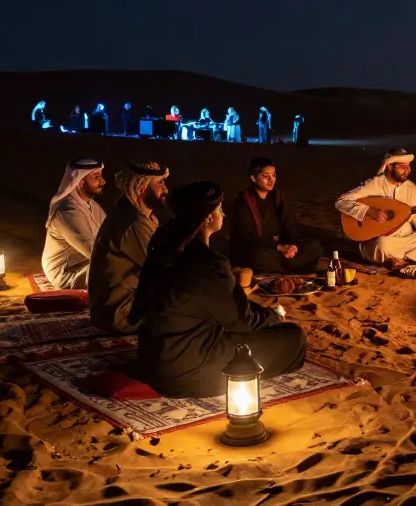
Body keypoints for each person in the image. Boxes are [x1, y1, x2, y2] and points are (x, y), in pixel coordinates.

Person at [128, 181, 306, 397]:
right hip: (189, 370)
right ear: (209, 217)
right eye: (220, 209)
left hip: (153, 361)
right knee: (293, 337)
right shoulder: (207, 262)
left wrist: (264, 314)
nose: (224, 213)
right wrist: (274, 317)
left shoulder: (164, 245)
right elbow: (242, 320)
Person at [88, 161, 169, 333]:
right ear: (141, 187)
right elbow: (166, 268)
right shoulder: (133, 223)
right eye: (160, 183)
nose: (166, 190)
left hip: (123, 303)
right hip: (120, 312)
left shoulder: (138, 214)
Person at [335, 148, 416, 268]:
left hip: (406, 240)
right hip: (381, 242)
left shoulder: (412, 189)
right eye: (402, 167)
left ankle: (401, 260)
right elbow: (341, 202)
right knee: (382, 245)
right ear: (389, 166)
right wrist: (370, 211)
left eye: (409, 167)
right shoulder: (374, 184)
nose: (407, 170)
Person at [229, 157, 323, 274]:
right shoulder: (243, 201)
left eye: (273, 175)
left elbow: (289, 224)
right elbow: (249, 238)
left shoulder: (278, 195)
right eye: (265, 176)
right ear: (253, 178)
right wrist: (279, 247)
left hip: (281, 249)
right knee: (258, 257)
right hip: (261, 248)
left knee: (314, 246)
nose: (271, 180)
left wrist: (292, 246)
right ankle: (292, 267)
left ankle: (286, 266)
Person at [41, 158, 107, 289]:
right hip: (66, 272)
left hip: (86, 261)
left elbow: (111, 236)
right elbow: (94, 252)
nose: (103, 181)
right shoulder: (67, 212)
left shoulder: (93, 206)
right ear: (81, 182)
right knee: (116, 273)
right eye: (97, 177)